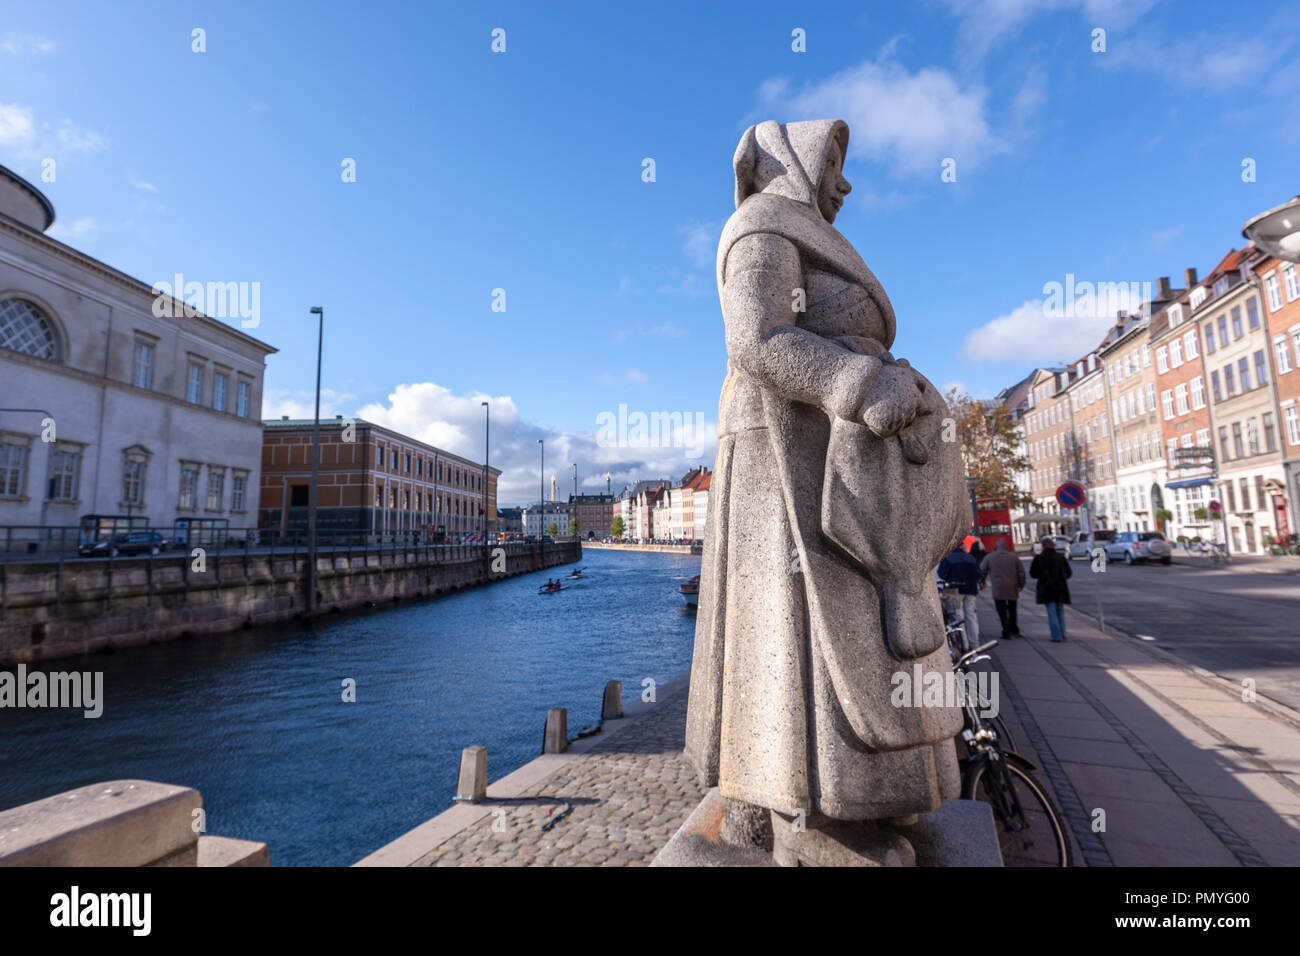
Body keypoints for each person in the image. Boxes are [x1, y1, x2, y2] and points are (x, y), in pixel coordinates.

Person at [938, 541, 982, 648]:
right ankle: (975, 644)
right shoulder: (970, 558)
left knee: (959, 619)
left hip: (955, 591)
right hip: (970, 590)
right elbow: (978, 574)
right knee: (971, 617)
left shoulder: (948, 558)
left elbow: (942, 573)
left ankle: (964, 645)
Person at [1029, 536, 1072, 642]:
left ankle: (1056, 636)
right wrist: (1062, 577)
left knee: (1051, 611)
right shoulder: (1060, 557)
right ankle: (1063, 634)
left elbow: (1033, 574)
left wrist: (1042, 576)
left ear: (1043, 547)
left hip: (1046, 588)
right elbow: (1069, 573)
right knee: (1060, 611)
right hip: (1060, 587)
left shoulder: (1039, 558)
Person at [980, 539, 1025, 639]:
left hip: (998, 588)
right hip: (1012, 588)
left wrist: (982, 582)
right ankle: (1014, 630)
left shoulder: (990, 557)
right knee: (1013, 610)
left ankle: (1006, 631)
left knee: (1001, 611)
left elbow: (982, 571)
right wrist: (1021, 585)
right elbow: (1021, 573)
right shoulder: (1014, 557)